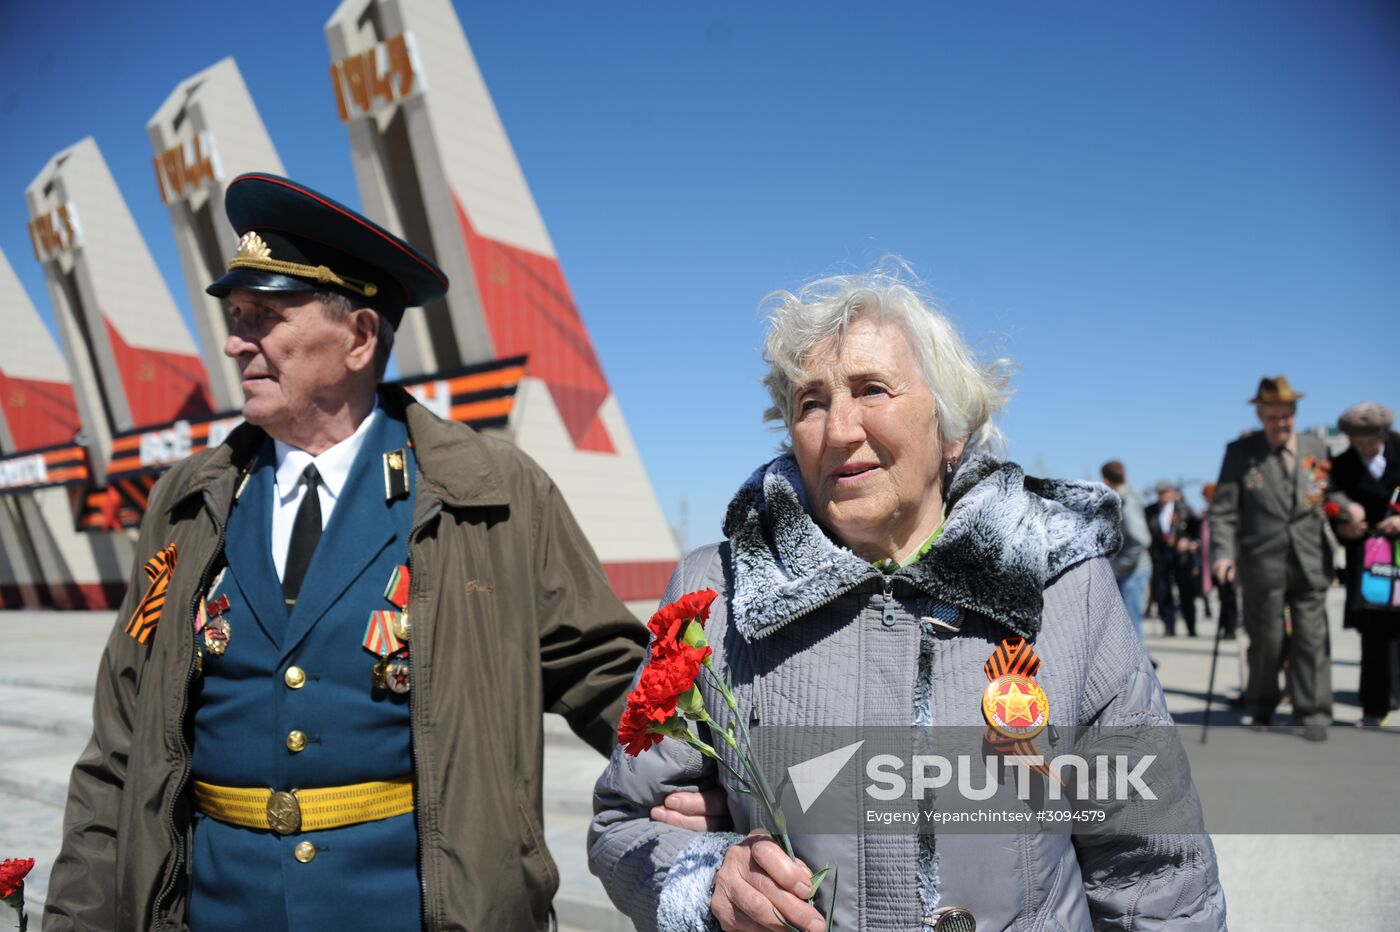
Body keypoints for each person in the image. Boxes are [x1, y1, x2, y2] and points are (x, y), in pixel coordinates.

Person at [43, 174, 654, 931]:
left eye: (264, 316)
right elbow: (119, 745)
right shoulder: (187, 500)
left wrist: (726, 783)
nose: (236, 342)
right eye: (236, 317)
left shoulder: (489, 491)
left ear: (361, 337)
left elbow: (610, 678)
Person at [590, 271, 1225, 930]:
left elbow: (1155, 869)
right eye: (810, 402)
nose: (838, 429)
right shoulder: (717, 595)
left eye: (871, 390)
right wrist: (709, 875)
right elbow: (625, 824)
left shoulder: (1065, 587)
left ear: (950, 429)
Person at [1209, 375, 1333, 741]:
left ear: (1294, 413)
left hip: (1310, 558)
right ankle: (1261, 705)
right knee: (1268, 639)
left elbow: (1327, 496)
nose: (1281, 424)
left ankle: (1313, 713)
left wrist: (1347, 510)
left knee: (1311, 638)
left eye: (1286, 416)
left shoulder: (1316, 449)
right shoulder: (1241, 453)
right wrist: (1222, 555)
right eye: (1273, 417)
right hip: (1262, 561)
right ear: (1261, 416)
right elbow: (1224, 512)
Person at [1326, 402, 1400, 726]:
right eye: (1358, 442)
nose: (1366, 447)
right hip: (1367, 559)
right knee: (1373, 634)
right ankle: (1374, 706)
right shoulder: (1340, 465)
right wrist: (1344, 525)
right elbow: (1328, 504)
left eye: (1371, 440)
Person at [1101, 460, 1152, 639]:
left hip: (1133, 572)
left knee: (1131, 629)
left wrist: (1118, 566)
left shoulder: (1128, 503)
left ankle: (1139, 667)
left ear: (1106, 481)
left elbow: (1141, 540)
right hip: (1130, 571)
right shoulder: (1125, 500)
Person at [1144, 482, 1202, 636]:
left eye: (1165, 492)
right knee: (1163, 593)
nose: (1163, 496)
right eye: (1160, 493)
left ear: (1172, 492)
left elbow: (1198, 530)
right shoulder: (1150, 511)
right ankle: (1169, 628)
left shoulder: (1184, 509)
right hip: (1160, 556)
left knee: (1186, 593)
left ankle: (1191, 627)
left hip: (1181, 557)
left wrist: (1190, 542)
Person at [1199, 483, 1238, 640]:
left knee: (1229, 597)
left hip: (1227, 560)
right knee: (1223, 597)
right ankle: (1225, 626)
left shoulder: (1223, 513)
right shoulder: (1207, 514)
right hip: (1213, 561)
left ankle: (1231, 628)